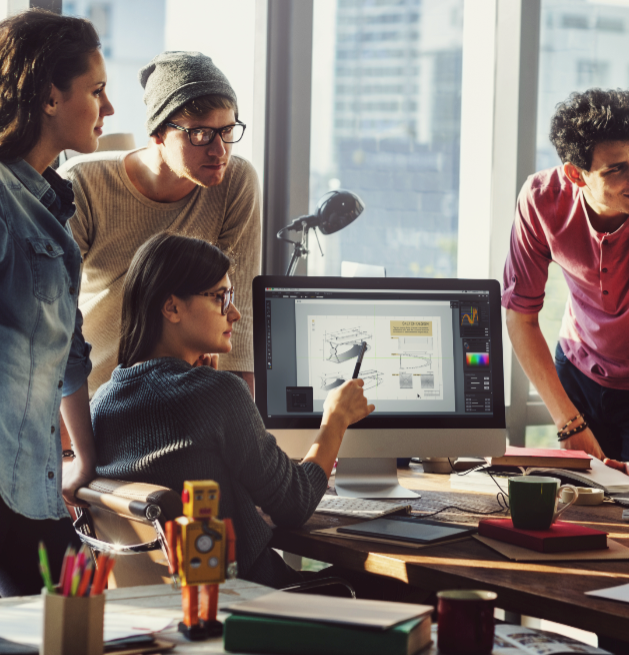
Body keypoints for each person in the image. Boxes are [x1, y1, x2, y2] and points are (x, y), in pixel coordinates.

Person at [90, 232, 374, 588]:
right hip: (253, 605)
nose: (236, 313)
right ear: (172, 307)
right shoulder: (218, 394)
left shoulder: (101, 402)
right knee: (392, 589)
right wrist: (335, 420)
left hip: (169, 612)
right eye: (221, 298)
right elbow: (295, 504)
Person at [503, 89, 629, 487]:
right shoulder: (539, 201)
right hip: (579, 372)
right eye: (616, 169)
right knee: (576, 512)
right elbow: (520, 314)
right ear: (576, 174)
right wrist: (568, 422)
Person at [59, 50, 260, 398]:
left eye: (227, 130)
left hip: (179, 399)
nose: (219, 151)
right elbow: (56, 319)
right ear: (157, 134)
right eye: (199, 134)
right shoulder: (83, 185)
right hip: (90, 397)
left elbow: (237, 313)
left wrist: (243, 422)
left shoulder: (236, 181)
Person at [0, 9, 114, 596]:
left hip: (34, 489)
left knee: (81, 629)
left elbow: (68, 353)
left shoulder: (52, 203)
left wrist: (84, 461)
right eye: (97, 91)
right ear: (49, 96)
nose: (110, 109)